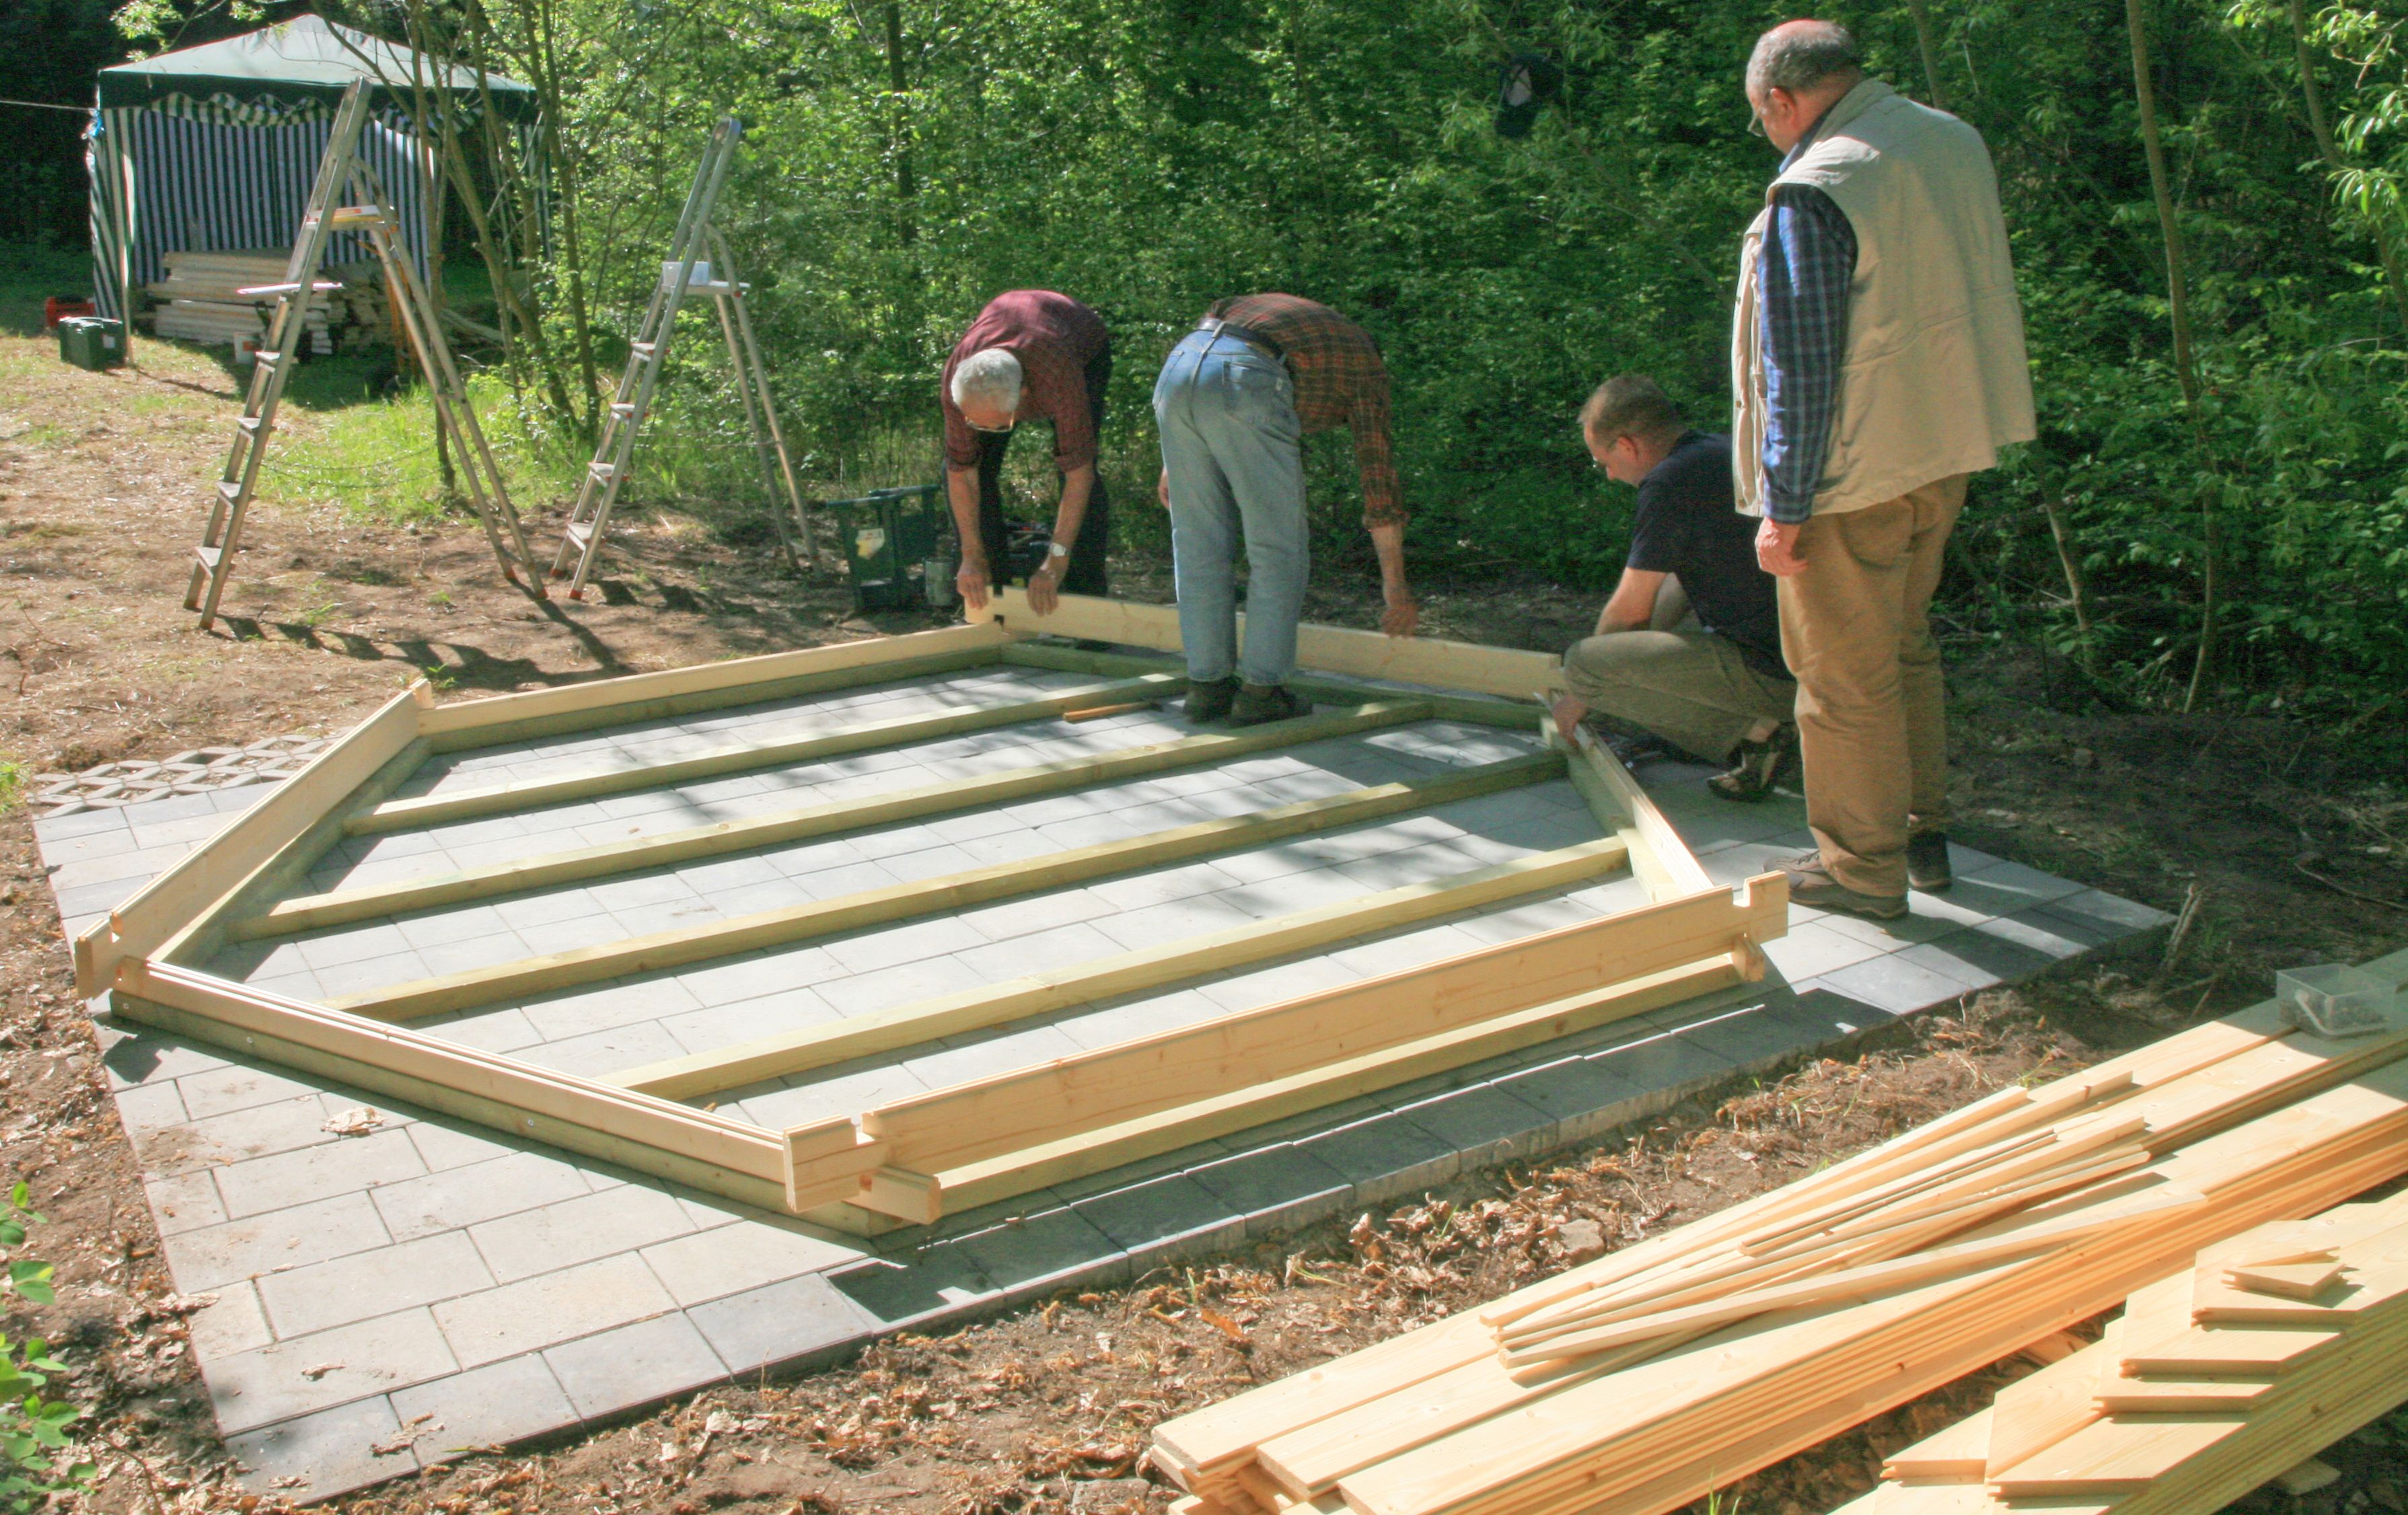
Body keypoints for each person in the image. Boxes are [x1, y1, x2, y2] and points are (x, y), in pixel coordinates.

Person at [1733, 20, 2036, 920]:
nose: (1769, 135)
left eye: (1762, 120)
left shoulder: (1817, 185)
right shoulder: (1947, 140)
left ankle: (1861, 870)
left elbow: (1800, 362)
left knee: (1837, 677)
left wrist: (1784, 507)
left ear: (1781, 100)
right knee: (1904, 647)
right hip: (1940, 446)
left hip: (1849, 475)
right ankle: (1917, 835)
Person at [1153, 293, 1419, 726]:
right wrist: (1396, 585)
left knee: (1197, 546)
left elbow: (1210, 351)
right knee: (1277, 550)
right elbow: (1379, 481)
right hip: (1245, 379)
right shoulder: (1364, 371)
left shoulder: (1300, 331)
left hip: (1179, 368)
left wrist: (1181, 452)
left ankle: (1207, 688)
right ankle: (1261, 693)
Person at [1549, 376, 1797, 801]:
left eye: (1602, 462)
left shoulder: (1668, 485)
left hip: (1774, 672)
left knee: (1583, 661)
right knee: (1608, 660)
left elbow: (1628, 611)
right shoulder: (1721, 453)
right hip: (1804, 652)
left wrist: (1580, 690)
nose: (1608, 476)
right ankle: (1765, 734)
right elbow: (1681, 582)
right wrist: (1635, 649)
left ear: (1627, 445)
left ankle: (1762, 732)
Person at [940, 290, 1113, 617]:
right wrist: (971, 555)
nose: (983, 429)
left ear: (1025, 398)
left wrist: (1055, 562)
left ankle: (1086, 601)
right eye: (977, 422)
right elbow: (961, 473)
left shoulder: (1060, 380)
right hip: (1014, 344)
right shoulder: (957, 382)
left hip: (1082, 345)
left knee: (1077, 468)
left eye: (996, 425)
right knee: (976, 467)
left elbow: (1080, 474)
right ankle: (994, 604)